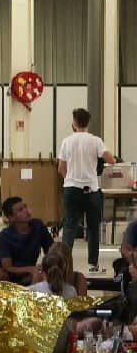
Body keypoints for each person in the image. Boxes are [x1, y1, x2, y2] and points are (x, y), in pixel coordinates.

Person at [58, 108, 115, 272]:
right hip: (91, 190)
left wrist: (70, 179)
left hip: (71, 189)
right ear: (88, 122)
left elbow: (61, 168)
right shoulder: (96, 140)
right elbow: (110, 159)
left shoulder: (66, 141)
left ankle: (64, 265)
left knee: (69, 227)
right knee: (93, 228)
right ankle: (92, 264)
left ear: (74, 123)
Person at [0, 196, 55, 286]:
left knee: (42, 275)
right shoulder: (4, 236)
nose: (26, 211)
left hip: (29, 273)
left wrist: (45, 265)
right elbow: (7, 267)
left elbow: (52, 250)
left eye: (25, 207)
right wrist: (31, 269)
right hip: (9, 273)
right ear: (11, 217)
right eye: (20, 210)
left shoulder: (38, 226)